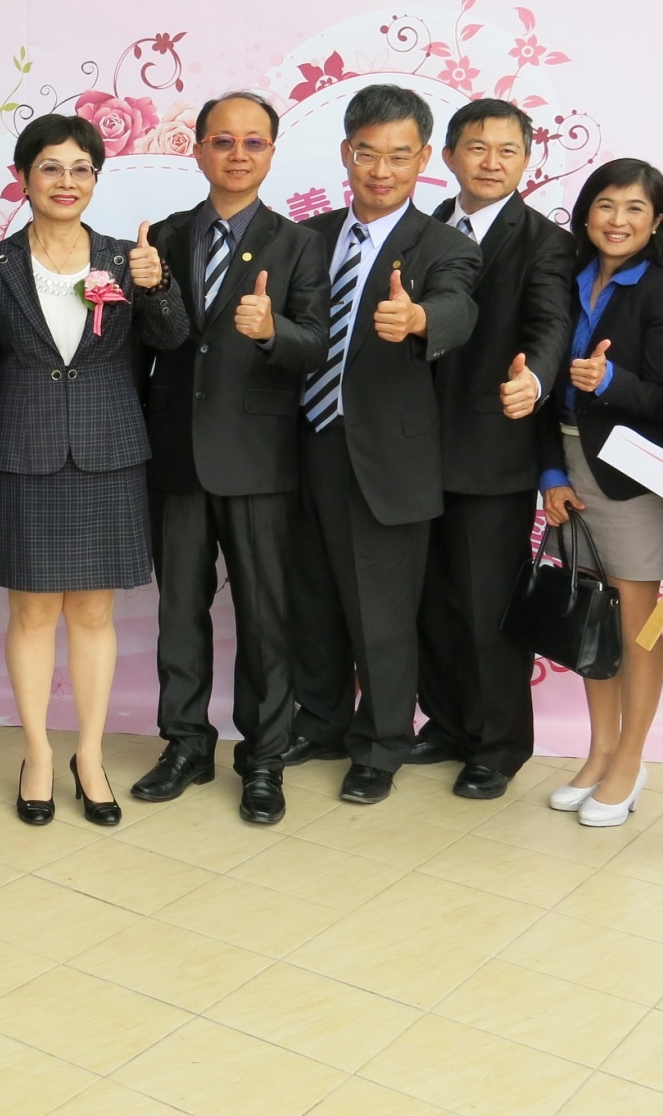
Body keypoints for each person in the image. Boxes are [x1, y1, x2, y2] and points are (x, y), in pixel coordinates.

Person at [0, 113, 184, 825]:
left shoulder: (128, 258)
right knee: (31, 612)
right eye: (50, 167)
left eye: (81, 168)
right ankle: (38, 754)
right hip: (21, 455)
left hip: (108, 452)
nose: (66, 181)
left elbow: (172, 338)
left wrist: (158, 285)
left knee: (92, 612)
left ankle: (88, 754)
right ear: (23, 178)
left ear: (95, 179)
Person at [129, 92, 329, 825]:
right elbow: (147, 344)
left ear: (272, 152)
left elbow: (317, 344)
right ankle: (185, 743)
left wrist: (274, 331)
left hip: (260, 460)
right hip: (176, 455)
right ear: (199, 149)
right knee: (179, 612)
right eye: (223, 141)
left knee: (265, 617)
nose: (238, 154)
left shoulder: (299, 243)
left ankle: (264, 758)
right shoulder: (165, 236)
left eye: (253, 142)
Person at [288, 83, 481, 804]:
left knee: (383, 614)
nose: (382, 170)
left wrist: (420, 319)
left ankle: (382, 744)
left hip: (387, 462)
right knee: (310, 599)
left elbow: (458, 307)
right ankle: (321, 722)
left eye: (400, 156)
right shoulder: (308, 236)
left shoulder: (444, 245)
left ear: (425, 159)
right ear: (346, 153)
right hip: (304, 444)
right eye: (368, 153)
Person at [415, 101, 576, 799]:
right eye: (477, 147)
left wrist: (533, 379)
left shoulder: (544, 241)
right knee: (430, 602)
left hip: (491, 451)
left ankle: (499, 744)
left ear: (526, 161)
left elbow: (550, 323)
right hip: (411, 452)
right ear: (449, 156)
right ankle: (447, 723)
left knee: (487, 608)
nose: (491, 161)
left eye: (507, 150)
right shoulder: (421, 229)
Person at [538, 158, 663, 828]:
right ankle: (599, 751)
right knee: (592, 620)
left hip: (631, 474)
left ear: (656, 222)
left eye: (635, 209)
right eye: (606, 205)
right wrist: (550, 474)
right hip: (568, 465)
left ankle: (631, 758)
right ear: (586, 214)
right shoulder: (565, 279)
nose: (618, 220)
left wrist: (609, 383)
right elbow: (538, 382)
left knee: (635, 626)